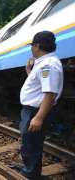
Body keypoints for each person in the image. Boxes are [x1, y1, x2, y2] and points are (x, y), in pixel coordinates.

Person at [19, 31, 63, 179]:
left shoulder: (48, 65)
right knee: (29, 143)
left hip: (35, 111)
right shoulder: (44, 63)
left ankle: (31, 174)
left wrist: (39, 117)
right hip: (32, 110)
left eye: (32, 46)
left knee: (31, 145)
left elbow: (50, 93)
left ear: (37, 46)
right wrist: (29, 72)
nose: (31, 49)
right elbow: (40, 87)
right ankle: (29, 169)